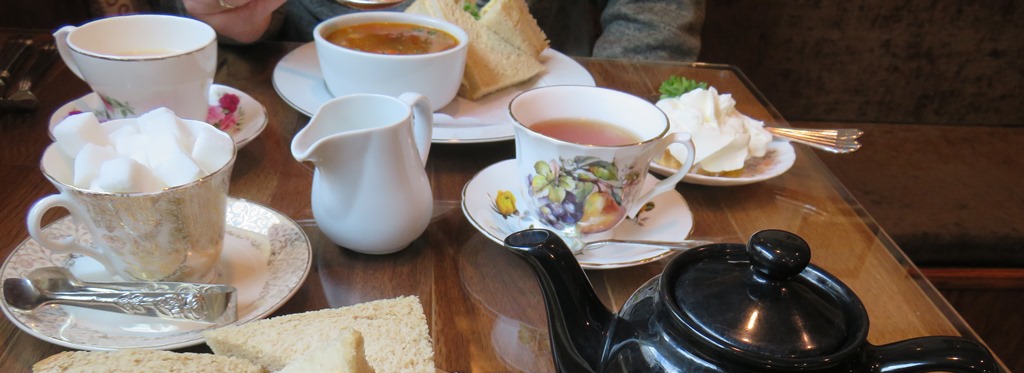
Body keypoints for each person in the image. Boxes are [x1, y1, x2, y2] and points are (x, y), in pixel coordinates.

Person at [154, 0, 704, 61]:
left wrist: (626, 81)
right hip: (310, 95)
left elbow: (654, 13)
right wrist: (234, 20)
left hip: (535, 115)